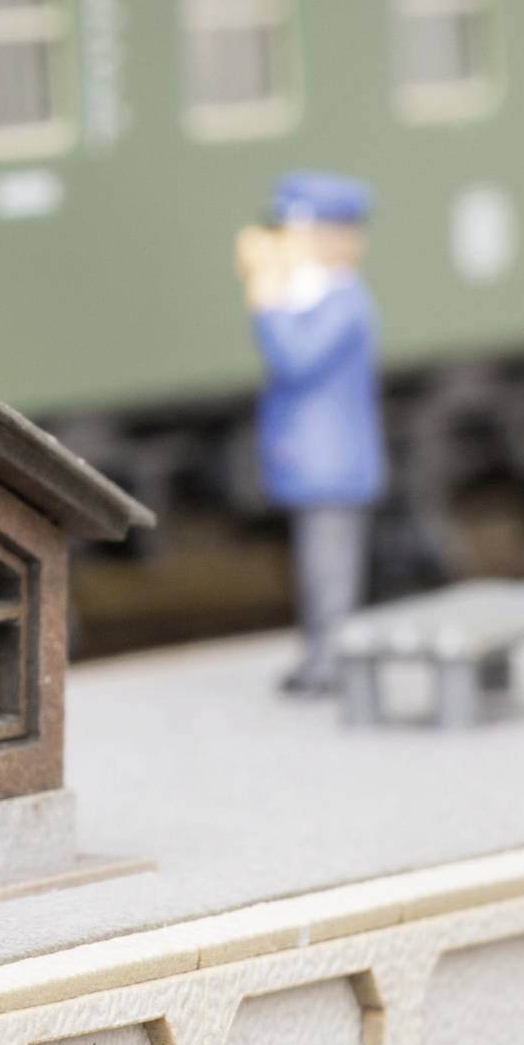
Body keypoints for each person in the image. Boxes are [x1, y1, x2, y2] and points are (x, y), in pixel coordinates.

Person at [237, 173, 383, 697]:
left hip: (332, 463)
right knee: (314, 567)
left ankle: (333, 660)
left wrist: (265, 300)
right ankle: (321, 654)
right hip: (312, 459)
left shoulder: (343, 301)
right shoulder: (313, 296)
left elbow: (294, 359)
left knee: (330, 570)